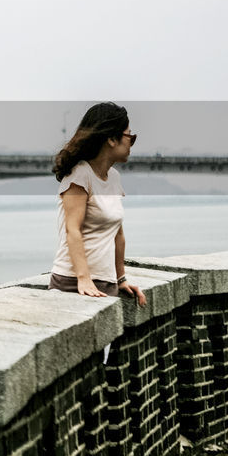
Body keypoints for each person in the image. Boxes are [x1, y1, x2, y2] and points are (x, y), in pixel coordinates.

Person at [48, 102, 146, 306]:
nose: (131, 144)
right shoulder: (80, 175)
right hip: (72, 283)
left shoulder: (114, 178)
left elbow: (118, 235)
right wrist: (84, 279)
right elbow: (72, 230)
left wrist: (121, 279)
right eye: (130, 137)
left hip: (106, 283)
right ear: (111, 139)